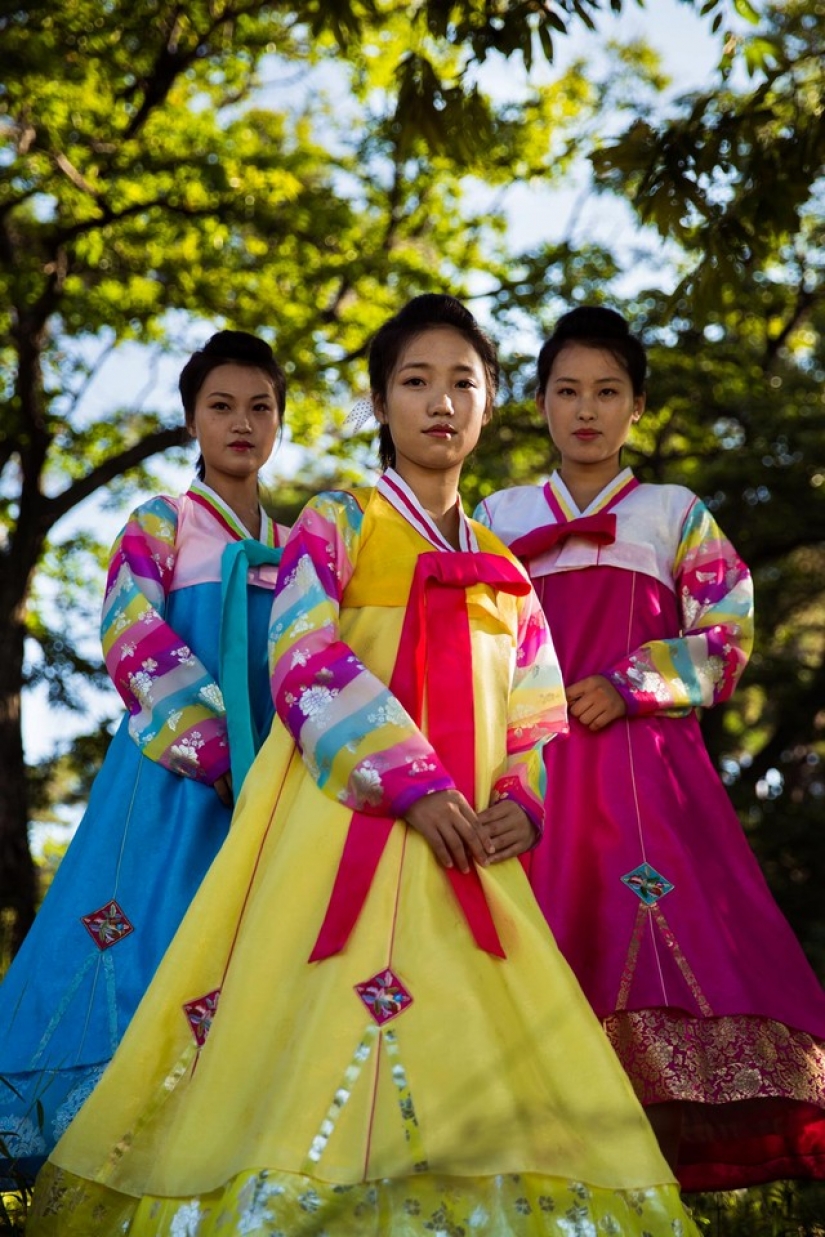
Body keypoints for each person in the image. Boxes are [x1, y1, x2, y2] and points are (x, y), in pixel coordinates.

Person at [28, 295, 700, 1236]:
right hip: (342, 818)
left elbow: (534, 705)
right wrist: (411, 785)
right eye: (413, 382)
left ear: (490, 403)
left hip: (469, 836)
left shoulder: (505, 568)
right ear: (379, 403)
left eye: (461, 382)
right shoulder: (336, 519)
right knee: (301, 1021)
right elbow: (302, 656)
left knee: (475, 1031)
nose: (439, 402)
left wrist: (520, 798)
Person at [474, 305, 825, 1191]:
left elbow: (726, 628)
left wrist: (630, 681)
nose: (584, 410)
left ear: (637, 408)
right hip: (526, 770)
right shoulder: (496, 515)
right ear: (539, 404)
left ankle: (646, 1194)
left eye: (606, 391)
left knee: (654, 956)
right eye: (565, 391)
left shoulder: (674, 511)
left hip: (643, 774)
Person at [0, 330, 290, 1181]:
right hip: (171, 777)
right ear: (191, 419)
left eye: (260, 406)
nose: (242, 422)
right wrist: (225, 752)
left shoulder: (304, 539)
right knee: (137, 944)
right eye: (221, 406)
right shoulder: (158, 523)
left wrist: (276, 765)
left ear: (280, 420)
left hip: (273, 782)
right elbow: (133, 639)